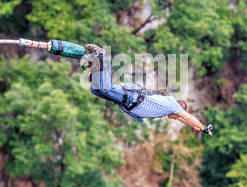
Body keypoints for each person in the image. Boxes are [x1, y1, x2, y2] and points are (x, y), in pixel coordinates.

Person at [83, 44, 213, 136]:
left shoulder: (169, 108)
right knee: (106, 89)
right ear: (179, 109)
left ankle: (95, 67)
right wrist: (204, 128)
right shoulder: (173, 105)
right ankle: (101, 57)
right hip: (131, 97)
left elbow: (184, 119)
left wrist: (197, 128)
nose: (174, 119)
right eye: (177, 116)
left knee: (96, 90)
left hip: (130, 99)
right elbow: (187, 117)